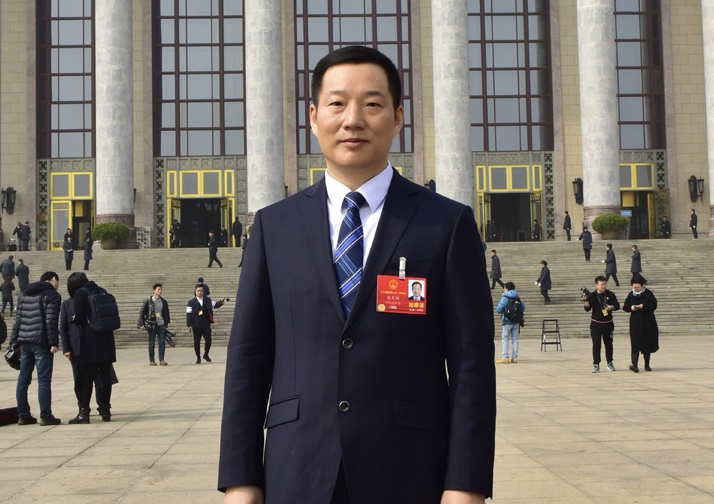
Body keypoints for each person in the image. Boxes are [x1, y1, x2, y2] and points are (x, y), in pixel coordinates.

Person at [218, 46, 496, 504]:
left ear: (398, 116)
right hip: (297, 471)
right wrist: (240, 480)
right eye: (337, 103)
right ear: (313, 117)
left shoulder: (445, 224)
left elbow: (472, 365)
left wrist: (465, 485)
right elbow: (248, 359)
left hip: (409, 472)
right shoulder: (274, 226)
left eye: (371, 104)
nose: (353, 120)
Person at [9, 271, 62, 426]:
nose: (57, 285)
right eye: (57, 281)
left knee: (23, 380)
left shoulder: (24, 294)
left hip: (24, 341)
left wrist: (13, 342)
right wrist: (54, 343)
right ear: (52, 279)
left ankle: (23, 415)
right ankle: (46, 415)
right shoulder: (52, 295)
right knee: (43, 380)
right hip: (41, 342)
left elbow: (18, 320)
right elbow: (51, 320)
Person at [69, 272, 117, 423]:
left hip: (91, 339)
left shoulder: (80, 293)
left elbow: (79, 317)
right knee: (105, 375)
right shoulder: (101, 291)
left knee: (87, 377)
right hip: (106, 338)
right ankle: (105, 410)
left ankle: (84, 412)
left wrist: (74, 319)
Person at [583, 275, 620, 373]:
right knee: (596, 344)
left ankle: (609, 362)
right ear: (596, 285)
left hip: (608, 324)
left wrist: (612, 307)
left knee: (609, 344)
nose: (603, 286)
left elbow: (617, 305)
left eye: (604, 284)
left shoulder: (610, 294)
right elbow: (587, 309)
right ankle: (596, 364)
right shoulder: (592, 296)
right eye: (601, 284)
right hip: (596, 324)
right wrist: (586, 303)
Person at [622, 274, 659, 373]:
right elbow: (625, 307)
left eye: (638, 287)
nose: (636, 289)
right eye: (634, 287)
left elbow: (654, 305)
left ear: (642, 286)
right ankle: (634, 364)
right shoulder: (631, 294)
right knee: (635, 343)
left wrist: (644, 306)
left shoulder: (648, 294)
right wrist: (631, 308)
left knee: (646, 343)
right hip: (635, 323)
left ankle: (647, 365)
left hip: (647, 322)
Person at [186, 284, 225, 364]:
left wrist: (221, 302)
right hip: (196, 325)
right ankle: (198, 357)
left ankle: (206, 354)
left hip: (206, 324)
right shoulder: (191, 302)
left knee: (208, 340)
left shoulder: (208, 300)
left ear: (203, 292)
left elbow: (215, 305)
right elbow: (188, 314)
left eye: (201, 291)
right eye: (198, 291)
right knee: (196, 342)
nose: (199, 292)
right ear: (195, 291)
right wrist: (189, 325)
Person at [137, 283, 171, 366]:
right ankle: (152, 360)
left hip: (161, 324)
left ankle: (162, 359)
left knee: (162, 342)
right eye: (158, 289)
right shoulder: (148, 302)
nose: (160, 291)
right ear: (154, 290)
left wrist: (166, 323)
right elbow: (142, 313)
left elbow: (166, 313)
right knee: (151, 343)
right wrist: (141, 324)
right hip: (151, 325)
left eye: (161, 289)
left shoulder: (163, 302)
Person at [495, 282, 525, 364]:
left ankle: (505, 357)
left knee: (505, 339)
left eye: (504, 288)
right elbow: (523, 307)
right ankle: (514, 358)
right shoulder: (517, 297)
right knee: (515, 339)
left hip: (507, 321)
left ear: (507, 288)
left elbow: (498, 309)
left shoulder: (505, 297)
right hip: (516, 321)